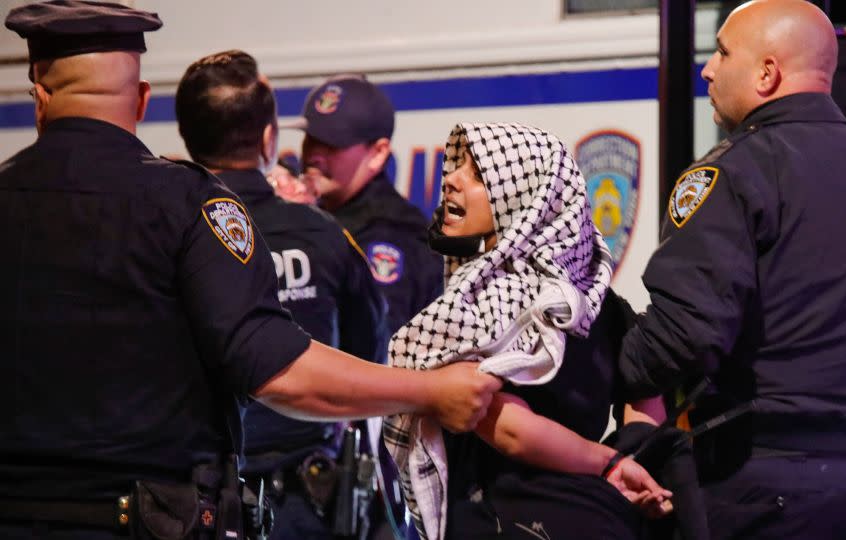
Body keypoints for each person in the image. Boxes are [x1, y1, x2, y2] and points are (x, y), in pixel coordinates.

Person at [0, 3, 500, 539]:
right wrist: (430, 391)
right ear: (142, 100)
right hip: (149, 520)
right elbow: (276, 369)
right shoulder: (189, 205)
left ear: (40, 97)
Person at [615, 1, 846, 539]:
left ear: (767, 73)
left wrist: (600, 358)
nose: (708, 69)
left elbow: (684, 337)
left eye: (722, 52)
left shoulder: (736, 172)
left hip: (764, 483)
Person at [385, 122, 672, 540]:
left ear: (527, 198)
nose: (450, 179)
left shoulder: (480, 306)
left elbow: (508, 428)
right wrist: (623, 463)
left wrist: (610, 466)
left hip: (499, 520)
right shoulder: (596, 302)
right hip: (591, 513)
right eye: (455, 167)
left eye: (477, 174)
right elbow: (648, 395)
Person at [175, 50, 391, 540]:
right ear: (269, 139)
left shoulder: (161, 235)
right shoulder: (326, 237)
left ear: (186, 135)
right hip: (305, 503)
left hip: (192, 506)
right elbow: (371, 360)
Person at [288, 75, 444, 335]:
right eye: (311, 138)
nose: (313, 153)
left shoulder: (391, 236)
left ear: (378, 153)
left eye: (331, 143)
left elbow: (375, 349)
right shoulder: (316, 216)